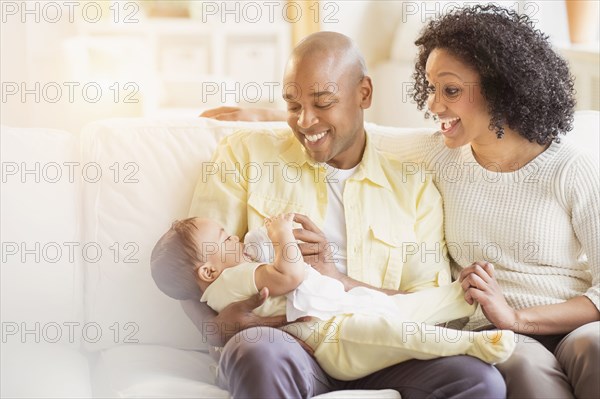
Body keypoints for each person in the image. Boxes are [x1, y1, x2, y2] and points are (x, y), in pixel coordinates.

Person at [201, 5, 600, 399]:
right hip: (481, 328)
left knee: (583, 351)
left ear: (502, 87)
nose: (433, 105)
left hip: (550, 319)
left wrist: (519, 318)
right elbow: (358, 131)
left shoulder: (568, 170)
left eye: (451, 90)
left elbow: (350, 120)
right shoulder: (440, 154)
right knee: (520, 362)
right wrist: (278, 113)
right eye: (431, 89)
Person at [185, 31, 507, 398]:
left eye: (322, 103)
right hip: (289, 345)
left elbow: (427, 304)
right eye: (292, 105)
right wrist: (215, 331)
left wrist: (337, 278)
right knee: (257, 351)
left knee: (479, 380)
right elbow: (194, 266)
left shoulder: (412, 186)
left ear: (364, 93)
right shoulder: (244, 155)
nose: (305, 121)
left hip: (382, 349)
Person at [151, 215, 516, 380]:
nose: (235, 237)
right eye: (225, 238)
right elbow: (289, 274)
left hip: (344, 307)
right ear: (208, 272)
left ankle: (459, 295)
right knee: (393, 330)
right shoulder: (236, 279)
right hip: (332, 336)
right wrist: (282, 236)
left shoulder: (229, 278)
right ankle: (468, 343)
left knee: (399, 308)